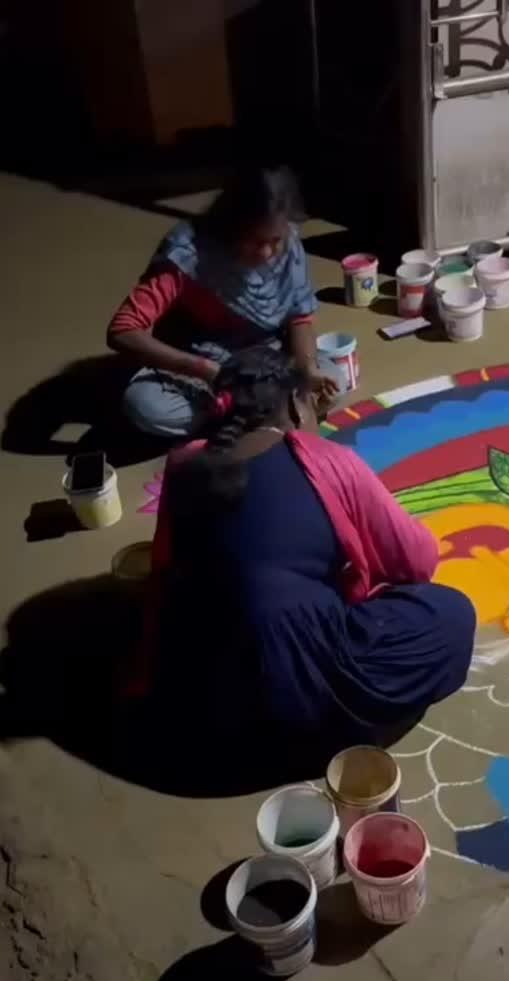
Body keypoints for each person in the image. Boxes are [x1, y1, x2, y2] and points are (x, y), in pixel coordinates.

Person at [139, 348, 475, 764]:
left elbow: (166, 569)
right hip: (301, 695)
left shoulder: (183, 463)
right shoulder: (325, 459)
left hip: (212, 696)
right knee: (451, 612)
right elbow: (418, 561)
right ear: (297, 407)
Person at [107, 165, 337, 438]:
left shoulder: (288, 243)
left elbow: (299, 317)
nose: (266, 252)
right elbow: (123, 330)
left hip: (266, 361)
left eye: (275, 241)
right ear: (230, 223)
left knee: (335, 378)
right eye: (254, 240)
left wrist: (307, 369)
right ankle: (264, 412)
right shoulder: (189, 252)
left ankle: (247, 412)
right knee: (146, 406)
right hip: (201, 367)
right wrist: (204, 369)